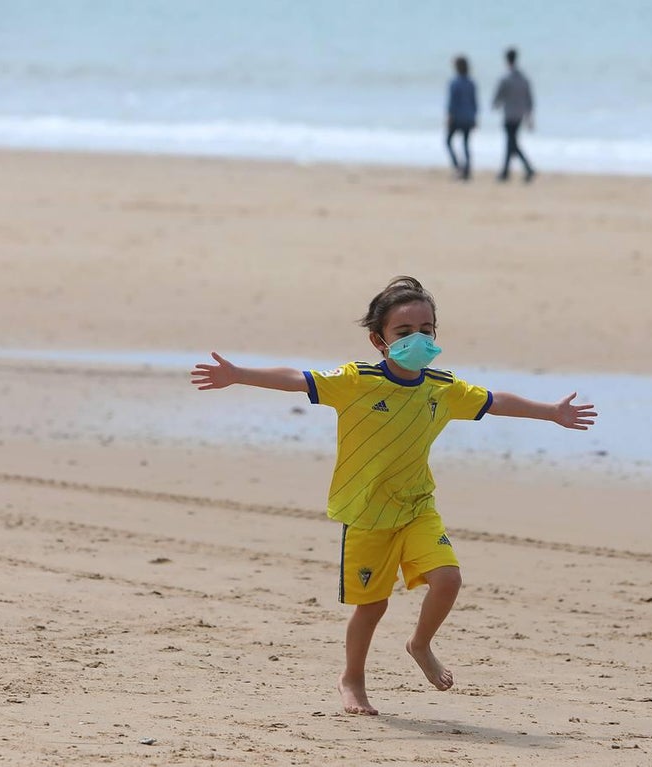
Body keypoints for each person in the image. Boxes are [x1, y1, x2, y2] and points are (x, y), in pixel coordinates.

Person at [190, 276, 597, 716]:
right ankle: (352, 679)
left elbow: (495, 401)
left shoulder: (442, 388)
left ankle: (420, 644)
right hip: (366, 514)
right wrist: (237, 375)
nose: (417, 339)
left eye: (427, 330)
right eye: (404, 332)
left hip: (417, 508)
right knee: (373, 606)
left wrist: (551, 412)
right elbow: (296, 379)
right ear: (379, 340)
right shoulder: (356, 381)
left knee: (448, 580)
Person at [492, 47, 535, 182]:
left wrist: (495, 104)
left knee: (511, 143)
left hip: (510, 114)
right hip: (519, 114)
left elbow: (498, 96)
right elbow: (529, 99)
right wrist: (529, 116)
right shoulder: (523, 78)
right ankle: (507, 171)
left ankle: (523, 169)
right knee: (511, 142)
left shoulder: (505, 78)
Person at [445, 55, 477, 180]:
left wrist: (449, 116)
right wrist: (474, 117)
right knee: (465, 144)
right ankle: (467, 169)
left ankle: (458, 167)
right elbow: (475, 103)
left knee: (448, 141)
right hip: (468, 117)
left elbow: (452, 102)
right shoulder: (471, 83)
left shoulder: (455, 83)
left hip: (457, 117)